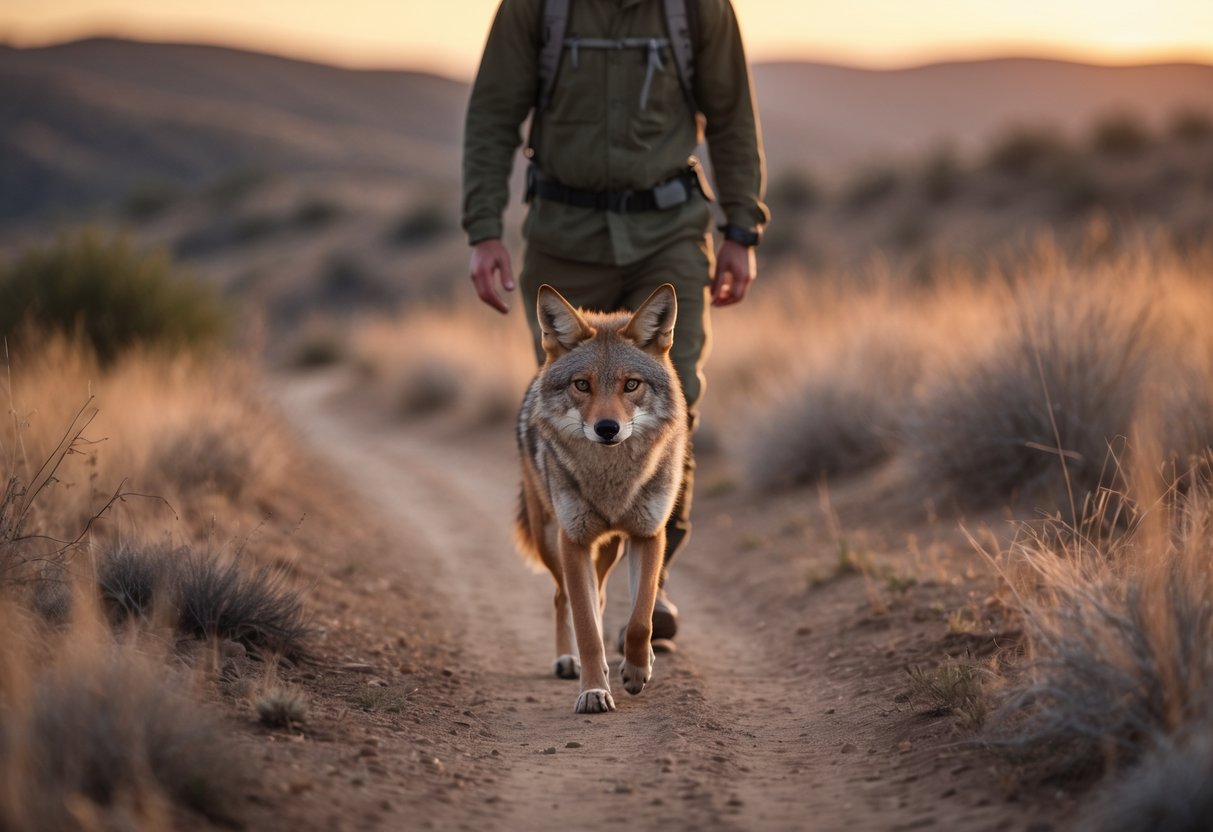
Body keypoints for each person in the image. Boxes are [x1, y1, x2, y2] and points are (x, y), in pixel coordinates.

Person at [462, 0, 769, 647]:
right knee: (572, 398)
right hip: (561, 236)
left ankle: (646, 589)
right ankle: (576, 570)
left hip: (668, 233)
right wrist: (482, 229)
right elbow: (492, 114)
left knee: (672, 393)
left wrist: (742, 227)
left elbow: (732, 115)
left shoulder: (697, 9)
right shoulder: (534, 9)